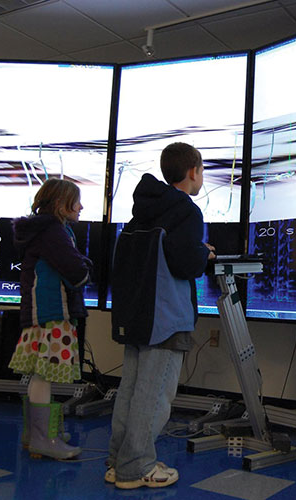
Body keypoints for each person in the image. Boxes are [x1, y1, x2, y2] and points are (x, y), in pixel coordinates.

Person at [106, 142, 215, 489]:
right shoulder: (187, 211)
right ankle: (136, 467)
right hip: (166, 317)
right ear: (193, 172)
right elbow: (185, 264)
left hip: (137, 313)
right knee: (154, 395)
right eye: (201, 171)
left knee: (131, 391)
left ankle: (118, 461)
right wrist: (203, 254)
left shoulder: (145, 210)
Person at [8, 178, 92, 460]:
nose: (81, 207)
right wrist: (85, 269)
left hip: (40, 312)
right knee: (44, 375)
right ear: (60, 204)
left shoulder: (45, 230)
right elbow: (75, 270)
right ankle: (43, 439)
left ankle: (35, 434)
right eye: (76, 201)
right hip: (53, 312)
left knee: (39, 374)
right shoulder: (53, 232)